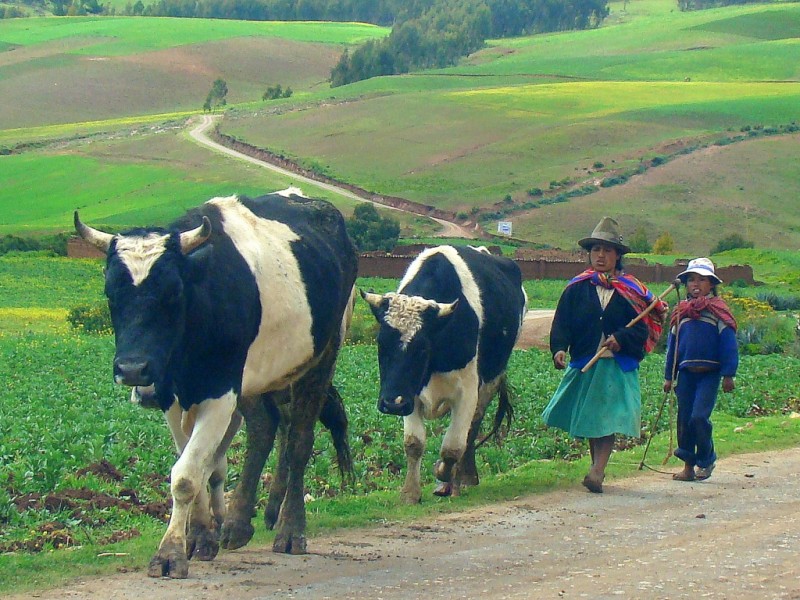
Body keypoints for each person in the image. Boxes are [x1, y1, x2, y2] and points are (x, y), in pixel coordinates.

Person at [542, 217, 667, 493]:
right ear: (589, 254)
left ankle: (597, 470)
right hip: (586, 360)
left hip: (614, 365)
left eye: (607, 251)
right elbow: (562, 321)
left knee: (606, 419)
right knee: (591, 420)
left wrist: (621, 339)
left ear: (617, 256)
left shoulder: (631, 291)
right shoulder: (577, 288)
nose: (601, 255)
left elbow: (644, 329)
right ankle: (595, 467)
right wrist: (559, 348)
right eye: (596, 250)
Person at [664, 258, 738, 482]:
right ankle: (688, 467)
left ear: (711, 285)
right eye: (691, 280)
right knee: (685, 420)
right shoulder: (681, 314)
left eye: (702, 280)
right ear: (686, 284)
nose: (696, 284)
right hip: (686, 374)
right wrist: (669, 376)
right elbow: (673, 349)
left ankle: (706, 459)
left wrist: (728, 374)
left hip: (709, 374)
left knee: (698, 417)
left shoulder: (718, 313)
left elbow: (728, 345)